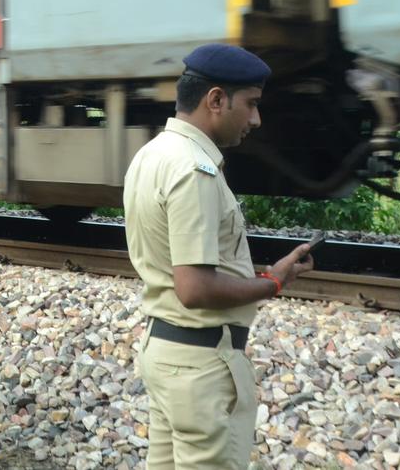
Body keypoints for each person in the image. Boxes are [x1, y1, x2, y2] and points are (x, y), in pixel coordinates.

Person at [124, 43, 315, 469]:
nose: (256, 119)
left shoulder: (152, 154)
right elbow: (194, 288)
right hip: (200, 369)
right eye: (250, 104)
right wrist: (274, 282)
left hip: (167, 353)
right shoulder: (195, 169)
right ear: (215, 99)